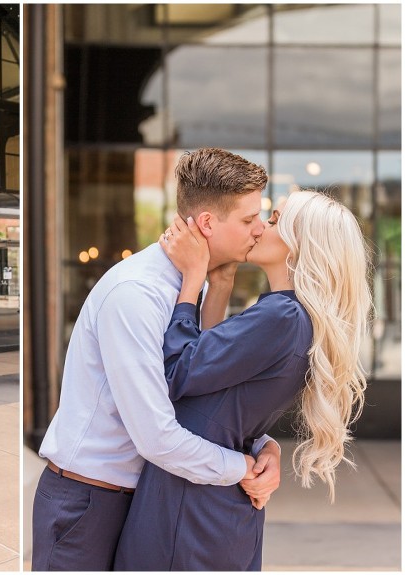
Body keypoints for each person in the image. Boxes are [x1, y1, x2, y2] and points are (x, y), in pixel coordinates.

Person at [31, 148, 282, 571]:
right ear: (207, 223)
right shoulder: (136, 294)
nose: (259, 228)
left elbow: (202, 400)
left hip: (147, 498)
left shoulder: (196, 287)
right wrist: (243, 467)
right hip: (88, 504)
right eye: (248, 219)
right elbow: (157, 437)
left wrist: (265, 448)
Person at [114, 190, 371, 570]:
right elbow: (215, 382)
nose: (260, 227)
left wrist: (192, 281)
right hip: (215, 504)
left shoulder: (281, 316)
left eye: (274, 220)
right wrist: (219, 287)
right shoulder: (296, 318)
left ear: (298, 244)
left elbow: (176, 372)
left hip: (190, 507)